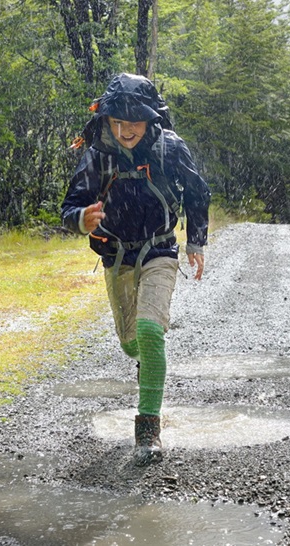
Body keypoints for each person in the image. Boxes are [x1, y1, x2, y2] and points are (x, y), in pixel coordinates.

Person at [61, 73, 211, 466]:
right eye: (118, 121)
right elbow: (70, 207)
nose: (127, 130)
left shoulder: (169, 148)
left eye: (135, 121)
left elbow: (198, 192)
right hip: (116, 255)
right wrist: (83, 219)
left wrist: (196, 240)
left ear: (151, 119)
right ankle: (147, 359)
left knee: (149, 329)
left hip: (160, 248)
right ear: (107, 120)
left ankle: (148, 429)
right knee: (132, 344)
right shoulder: (97, 154)